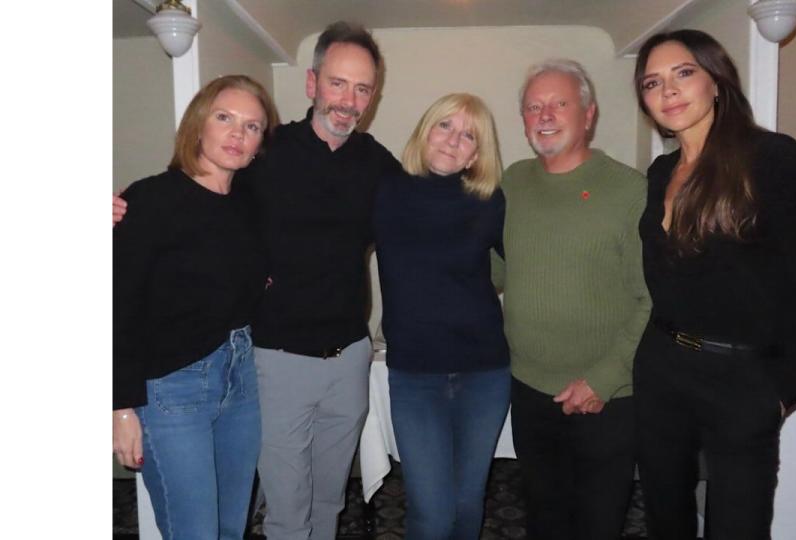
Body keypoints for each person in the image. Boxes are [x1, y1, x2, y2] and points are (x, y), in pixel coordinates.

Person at [115, 21, 402, 540]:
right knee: (282, 509)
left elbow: (425, 215)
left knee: (325, 499)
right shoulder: (265, 155)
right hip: (272, 362)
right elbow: (188, 198)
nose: (348, 99)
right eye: (338, 83)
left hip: (348, 358)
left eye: (362, 88)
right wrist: (115, 209)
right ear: (313, 83)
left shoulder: (377, 163)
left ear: (372, 97)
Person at [631, 29, 796, 540]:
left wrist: (781, 390)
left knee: (738, 525)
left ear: (716, 81)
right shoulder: (660, 173)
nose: (668, 91)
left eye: (684, 74)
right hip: (663, 365)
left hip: (743, 377)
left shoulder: (775, 160)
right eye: (653, 83)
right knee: (665, 515)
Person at [113, 74, 279, 539]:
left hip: (241, 379)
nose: (236, 134)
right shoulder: (148, 199)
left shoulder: (251, 202)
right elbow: (117, 305)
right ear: (198, 124)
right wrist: (121, 407)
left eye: (252, 126)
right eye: (224, 118)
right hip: (172, 389)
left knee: (231, 525)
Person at [493, 59, 653, 540]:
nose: (544, 114)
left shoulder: (630, 191)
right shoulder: (512, 183)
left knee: (596, 523)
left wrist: (603, 379)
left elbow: (653, 300)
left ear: (589, 114)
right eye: (532, 106)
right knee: (543, 517)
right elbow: (496, 270)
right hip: (527, 388)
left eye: (559, 103)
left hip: (605, 398)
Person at [373, 93, 509, 539]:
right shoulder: (385, 190)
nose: (454, 140)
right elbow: (328, 238)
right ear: (425, 130)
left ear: (477, 152)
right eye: (445, 126)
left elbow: (537, 263)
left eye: (468, 135)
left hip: (485, 373)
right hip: (415, 376)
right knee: (433, 513)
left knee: (467, 505)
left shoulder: (491, 201)